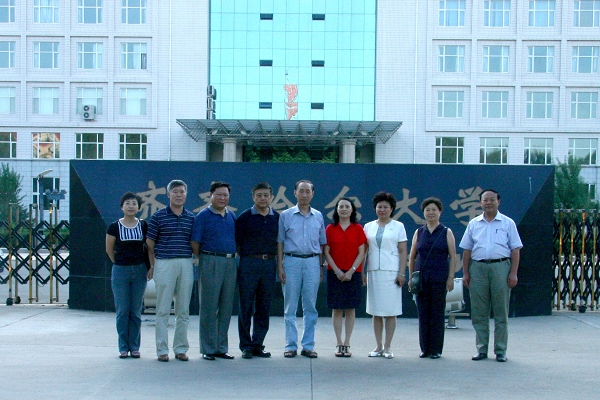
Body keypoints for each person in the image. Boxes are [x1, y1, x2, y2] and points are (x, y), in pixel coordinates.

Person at [459, 189, 523, 363]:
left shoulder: (508, 223)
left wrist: (513, 273)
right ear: (480, 202)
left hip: (500, 267)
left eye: (492, 199)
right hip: (478, 268)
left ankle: (501, 350)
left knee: (501, 311)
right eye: (485, 200)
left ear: (498, 201)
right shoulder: (474, 224)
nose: (488, 202)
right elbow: (467, 250)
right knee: (479, 312)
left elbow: (515, 249)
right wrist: (466, 273)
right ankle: (481, 349)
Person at [146, 180, 195, 362]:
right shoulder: (158, 216)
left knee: (183, 309)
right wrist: (153, 265)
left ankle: (181, 348)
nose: (179, 195)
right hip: (164, 263)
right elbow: (150, 243)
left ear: (186, 195)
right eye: (175, 191)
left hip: (185, 263)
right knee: (163, 309)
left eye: (182, 191)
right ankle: (162, 350)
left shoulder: (191, 217)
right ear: (168, 195)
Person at [277, 180, 327, 359]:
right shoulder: (286, 215)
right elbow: (280, 242)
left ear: (312, 194)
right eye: (301, 191)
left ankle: (308, 345)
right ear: (295, 193)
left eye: (308, 191)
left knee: (310, 306)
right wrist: (280, 266)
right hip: (291, 262)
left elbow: (322, 244)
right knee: (290, 306)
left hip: (312, 262)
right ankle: (290, 345)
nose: (304, 194)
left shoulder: (318, 216)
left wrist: (320, 267)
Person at [191, 181, 237, 361]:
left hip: (230, 262)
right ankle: (208, 348)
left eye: (225, 195)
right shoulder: (203, 216)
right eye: (219, 194)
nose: (222, 198)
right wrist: (205, 258)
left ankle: (221, 347)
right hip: (210, 260)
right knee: (209, 306)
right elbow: (195, 242)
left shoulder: (231, 216)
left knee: (226, 307)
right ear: (211, 196)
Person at [408, 197, 457, 359]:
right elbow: (412, 256)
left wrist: (450, 277)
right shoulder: (419, 232)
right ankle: (425, 348)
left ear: (440, 212)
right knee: (423, 314)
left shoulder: (446, 232)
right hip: (421, 279)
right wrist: (411, 277)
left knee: (437, 314)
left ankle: (436, 349)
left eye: (434, 210)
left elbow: (453, 256)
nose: (431, 213)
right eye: (427, 210)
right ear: (423, 213)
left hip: (439, 278)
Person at [235, 182, 280, 359]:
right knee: (246, 305)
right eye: (259, 195)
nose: (263, 198)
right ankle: (246, 346)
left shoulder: (277, 217)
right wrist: (248, 258)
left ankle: (258, 344)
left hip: (269, 264)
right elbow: (238, 242)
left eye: (266, 195)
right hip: (249, 263)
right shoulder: (245, 217)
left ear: (271, 197)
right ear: (253, 197)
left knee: (264, 306)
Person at [363, 191, 407, 359]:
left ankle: (388, 346)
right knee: (376, 311)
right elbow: (364, 251)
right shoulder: (368, 226)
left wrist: (402, 273)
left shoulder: (399, 226)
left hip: (391, 272)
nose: (382, 210)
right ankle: (378, 345)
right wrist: (362, 272)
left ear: (392, 209)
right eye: (379, 207)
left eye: (385, 207)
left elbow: (403, 251)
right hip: (374, 271)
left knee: (390, 311)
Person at [106, 192, 150, 359]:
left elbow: (149, 248)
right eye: (127, 203)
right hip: (121, 271)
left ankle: (135, 346)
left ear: (139, 207)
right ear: (122, 207)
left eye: (134, 203)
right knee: (123, 310)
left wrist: (150, 267)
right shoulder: (114, 226)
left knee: (135, 311)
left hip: (139, 270)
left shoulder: (143, 225)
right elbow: (109, 249)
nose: (131, 206)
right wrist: (119, 264)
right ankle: (123, 347)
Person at [324, 197, 366, 358]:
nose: (344, 209)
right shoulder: (330, 228)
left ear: (352, 210)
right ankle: (339, 343)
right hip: (334, 273)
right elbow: (326, 251)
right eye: (341, 206)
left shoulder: (357, 228)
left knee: (350, 309)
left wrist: (351, 271)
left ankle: (347, 343)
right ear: (336, 209)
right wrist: (337, 271)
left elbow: (362, 252)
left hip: (353, 274)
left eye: (347, 206)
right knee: (336, 309)